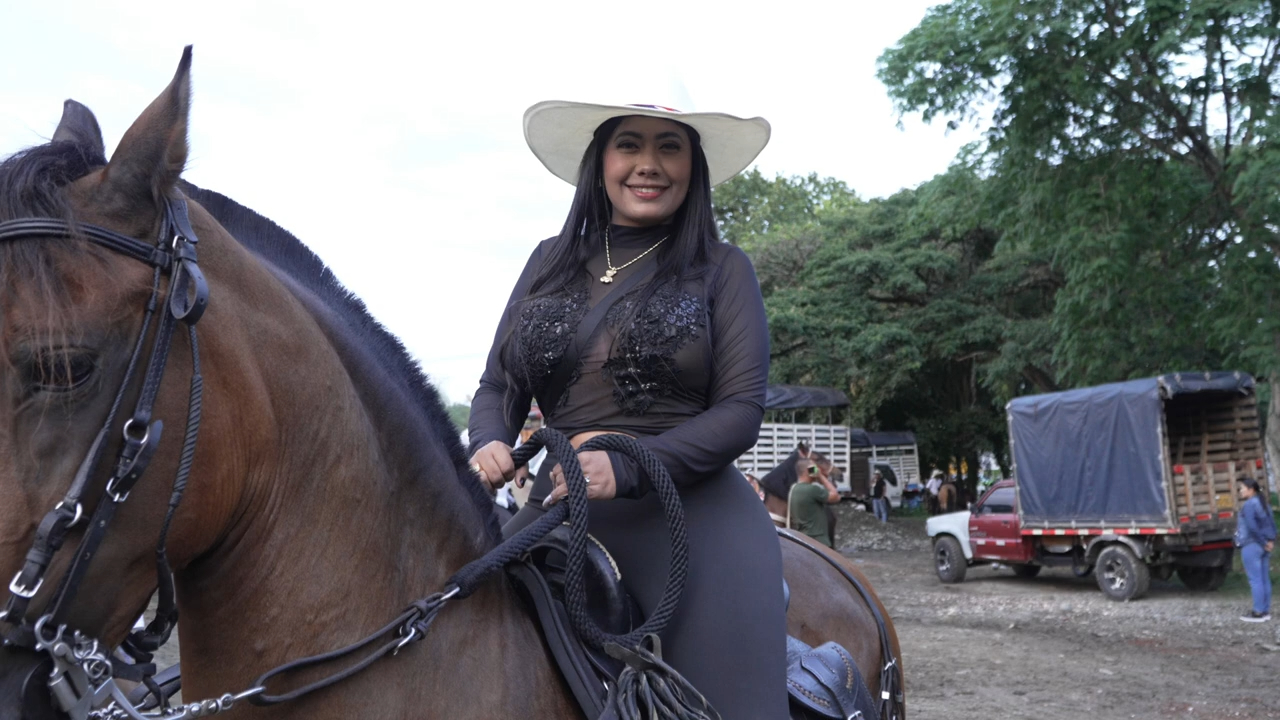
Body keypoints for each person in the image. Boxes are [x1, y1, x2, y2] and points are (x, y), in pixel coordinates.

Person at [466, 98, 783, 715]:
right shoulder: (547, 260)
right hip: (555, 508)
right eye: (629, 144)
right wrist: (487, 440)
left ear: (694, 167)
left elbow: (742, 409)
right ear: (600, 160)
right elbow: (500, 385)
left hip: (693, 517)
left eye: (670, 146)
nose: (649, 164)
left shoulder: (722, 268)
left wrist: (631, 464)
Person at [1234, 476, 1275, 622]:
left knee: (1255, 579)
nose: (1240, 490)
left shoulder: (1249, 505)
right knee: (1264, 578)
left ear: (1251, 490)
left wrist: (1263, 541)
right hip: (1265, 546)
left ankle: (1257, 612)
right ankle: (1265, 611)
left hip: (1252, 545)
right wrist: (1270, 541)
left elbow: (1252, 527)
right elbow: (1271, 524)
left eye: (1242, 488)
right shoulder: (1264, 503)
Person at [788, 458, 840, 547]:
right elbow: (835, 496)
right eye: (815, 468)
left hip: (804, 539)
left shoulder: (794, 488)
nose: (817, 470)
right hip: (818, 540)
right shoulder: (812, 490)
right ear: (809, 471)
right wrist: (820, 476)